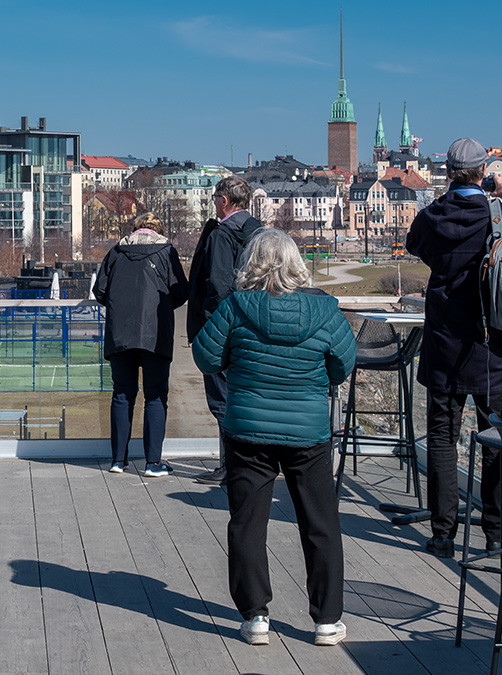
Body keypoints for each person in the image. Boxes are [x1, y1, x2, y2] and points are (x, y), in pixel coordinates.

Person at [192, 228, 356, 647]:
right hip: (309, 433)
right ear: (296, 262)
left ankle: (255, 616)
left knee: (247, 524)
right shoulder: (325, 312)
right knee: (320, 525)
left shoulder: (235, 307)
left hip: (248, 429)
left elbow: (206, 358)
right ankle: (326, 619)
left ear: (250, 263)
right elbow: (342, 367)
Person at [405, 138, 502, 559]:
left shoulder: (433, 217)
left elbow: (417, 245)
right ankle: (495, 531)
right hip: (496, 347)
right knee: (497, 438)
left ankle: (442, 533)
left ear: (449, 171)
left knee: (441, 436)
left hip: (446, 345)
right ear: (484, 169)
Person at [93, 212, 189, 476]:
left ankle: (117, 460)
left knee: (122, 395)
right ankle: (153, 463)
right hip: (155, 334)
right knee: (155, 396)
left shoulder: (116, 251)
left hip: (120, 334)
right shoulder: (166, 252)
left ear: (134, 230)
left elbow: (99, 291)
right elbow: (181, 291)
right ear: (158, 231)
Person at [186, 176, 263, 485]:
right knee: (244, 397)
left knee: (222, 400)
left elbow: (217, 286)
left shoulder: (222, 235)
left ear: (225, 201)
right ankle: (247, 464)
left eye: (215, 197)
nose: (213, 202)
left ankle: (229, 465)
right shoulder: (259, 232)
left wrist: (213, 332)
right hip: (252, 327)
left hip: (222, 329)